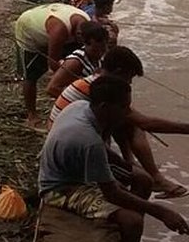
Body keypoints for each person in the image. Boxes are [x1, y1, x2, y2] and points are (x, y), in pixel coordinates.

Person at [39, 76, 189, 242]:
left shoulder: (82, 107)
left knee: (142, 179)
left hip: (77, 167)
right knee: (132, 221)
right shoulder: (86, 139)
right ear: (104, 107)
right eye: (124, 107)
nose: (128, 113)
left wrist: (127, 166)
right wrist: (161, 212)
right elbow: (112, 192)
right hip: (61, 187)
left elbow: (102, 150)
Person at [49, 47, 189, 199]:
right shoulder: (103, 90)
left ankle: (135, 166)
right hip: (72, 148)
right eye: (129, 77)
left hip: (67, 135)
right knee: (141, 176)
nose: (129, 82)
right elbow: (146, 123)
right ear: (118, 71)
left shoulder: (96, 81)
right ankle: (151, 178)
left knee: (126, 119)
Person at [14, 3, 90, 126]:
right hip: (29, 29)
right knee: (30, 76)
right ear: (77, 34)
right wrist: (70, 90)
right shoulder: (59, 30)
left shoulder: (86, 20)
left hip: (49, 22)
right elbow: (53, 63)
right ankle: (31, 115)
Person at [46, 21, 109, 98]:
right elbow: (52, 88)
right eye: (95, 50)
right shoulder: (75, 62)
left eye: (102, 49)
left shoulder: (100, 58)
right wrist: (77, 99)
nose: (99, 54)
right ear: (86, 43)